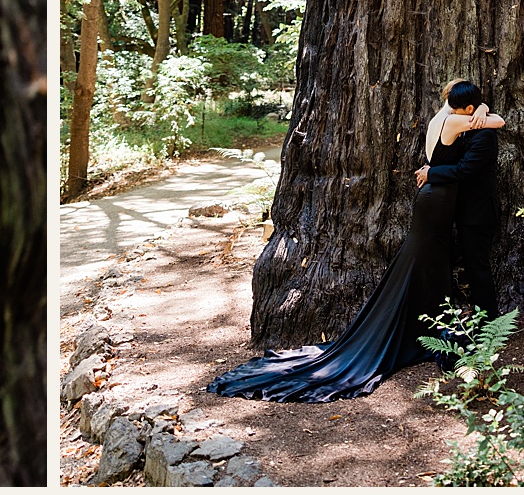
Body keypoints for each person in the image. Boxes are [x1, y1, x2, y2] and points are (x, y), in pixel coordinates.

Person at [208, 82, 504, 403]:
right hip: (436, 200)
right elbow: (496, 123)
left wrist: (479, 111)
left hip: (439, 201)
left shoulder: (440, 117)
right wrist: (481, 116)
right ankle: (415, 328)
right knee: (424, 258)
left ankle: (429, 325)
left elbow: (480, 122)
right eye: (473, 110)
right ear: (467, 110)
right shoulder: (457, 122)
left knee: (430, 260)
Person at [418, 80, 501, 313]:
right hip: (466, 210)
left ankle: (489, 320)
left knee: (478, 268)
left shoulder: (484, 136)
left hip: (478, 213)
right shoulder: (467, 123)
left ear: (469, 110)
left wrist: (432, 173)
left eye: (458, 110)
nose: (453, 113)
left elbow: (465, 170)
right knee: (472, 266)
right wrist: (483, 108)